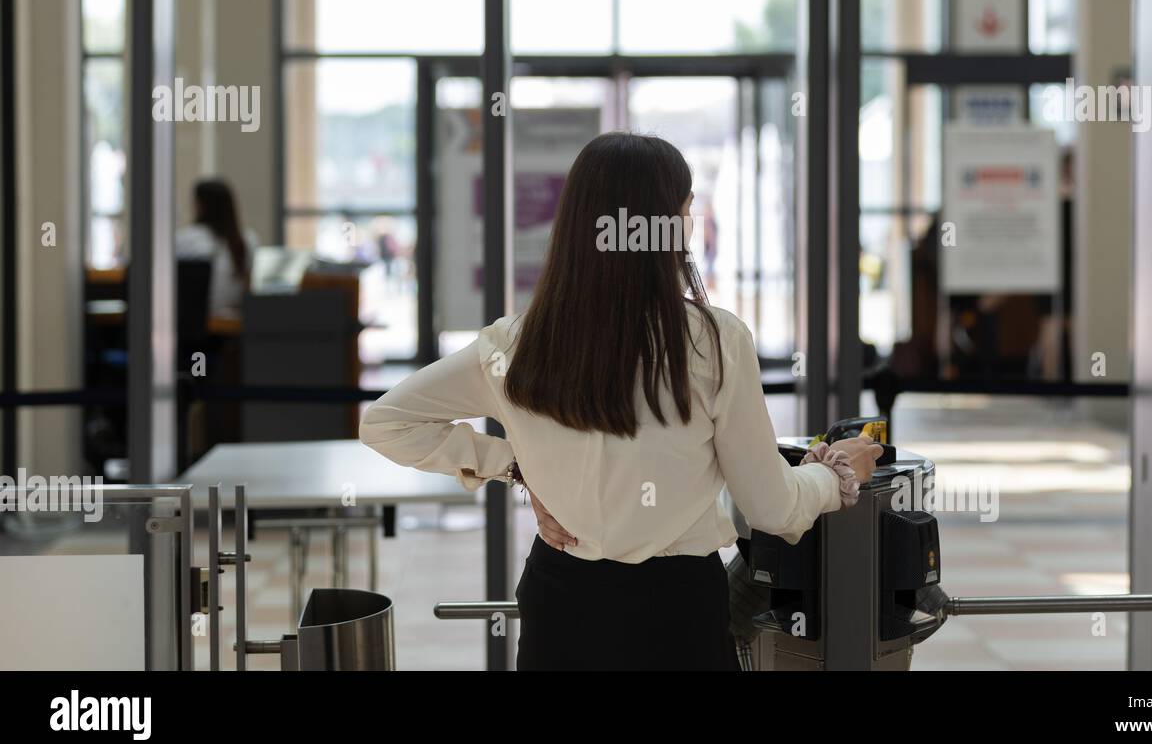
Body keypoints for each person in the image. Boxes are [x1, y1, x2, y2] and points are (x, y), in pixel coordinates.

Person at [360, 132, 881, 671]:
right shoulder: (715, 342)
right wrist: (840, 474)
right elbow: (771, 505)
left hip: (561, 597)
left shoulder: (515, 344)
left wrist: (514, 467)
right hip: (676, 609)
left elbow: (387, 422)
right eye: (687, 208)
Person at [176, 178, 258, 319]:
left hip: (194, 320)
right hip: (233, 321)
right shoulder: (248, 239)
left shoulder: (186, 239)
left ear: (200, 205)